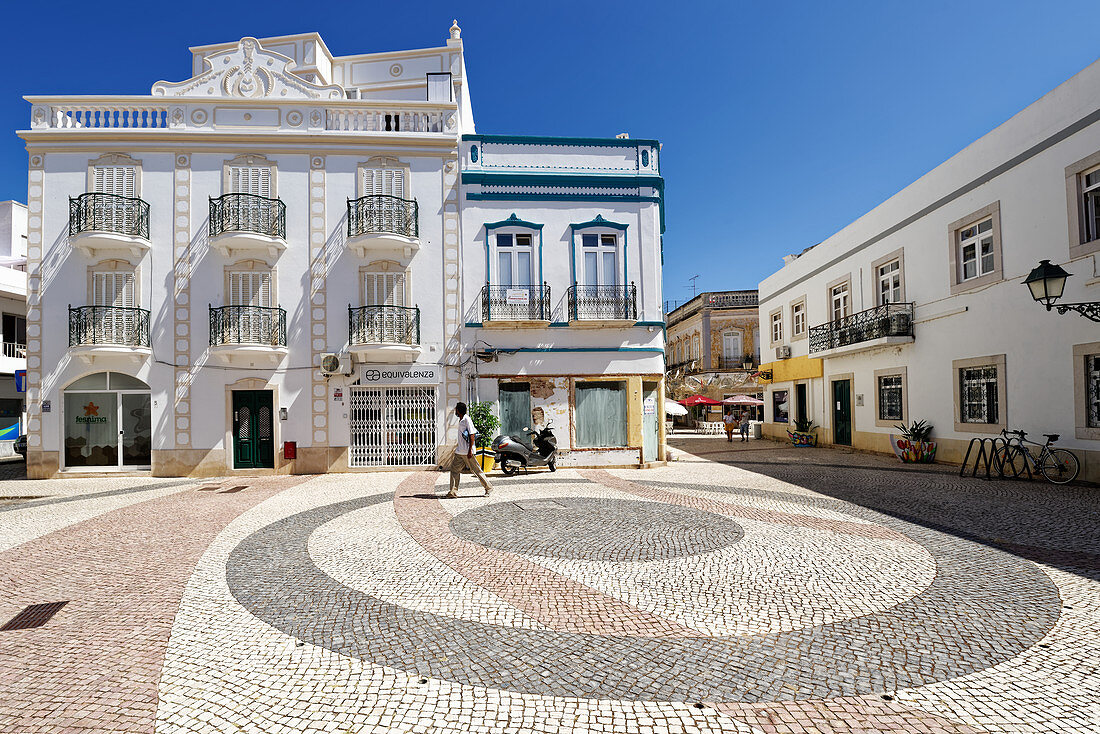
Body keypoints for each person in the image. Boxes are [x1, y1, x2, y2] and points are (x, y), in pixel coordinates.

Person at [446, 401, 493, 498]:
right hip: (460, 451)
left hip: (468, 452)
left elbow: (472, 435)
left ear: (458, 410)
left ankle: (488, 487)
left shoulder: (467, 419)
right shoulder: (461, 420)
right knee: (454, 470)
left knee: (477, 471)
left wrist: (470, 450)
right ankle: (453, 492)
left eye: (456, 409)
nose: (455, 410)